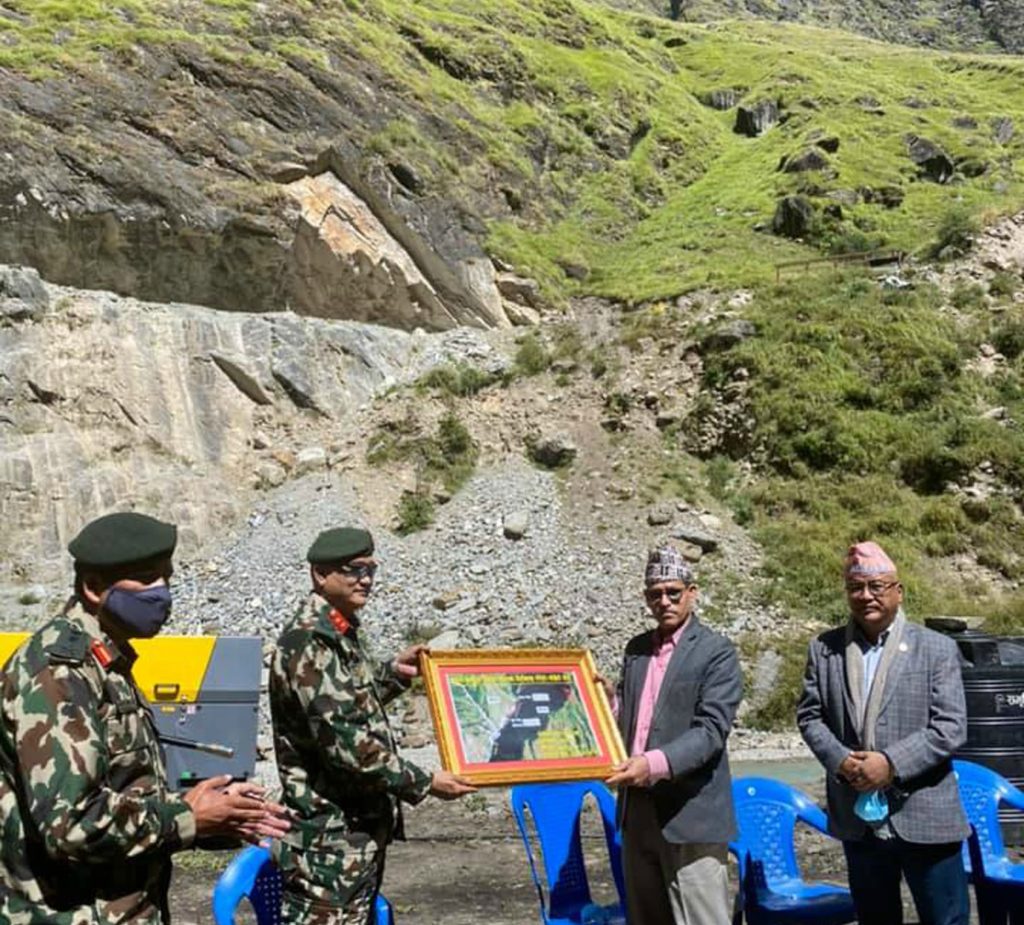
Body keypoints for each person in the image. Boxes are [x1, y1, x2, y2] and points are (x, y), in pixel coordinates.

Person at [0, 511, 290, 924]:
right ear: (94, 588)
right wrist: (189, 816)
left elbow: (125, 792)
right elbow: (71, 826)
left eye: (166, 578)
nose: (163, 593)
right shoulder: (59, 672)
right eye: (147, 578)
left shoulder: (107, 661)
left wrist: (216, 813)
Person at [269, 527, 476, 924]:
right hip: (327, 841)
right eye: (354, 569)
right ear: (320, 574)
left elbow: (347, 699)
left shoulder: (337, 633)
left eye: (371, 570)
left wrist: (395, 674)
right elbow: (346, 744)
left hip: (353, 834)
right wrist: (426, 781)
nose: (365, 580)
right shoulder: (310, 642)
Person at [797, 541, 970, 925]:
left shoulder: (936, 649)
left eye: (876, 586)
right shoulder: (824, 649)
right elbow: (810, 717)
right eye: (856, 587)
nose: (865, 596)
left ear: (898, 591)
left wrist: (890, 764)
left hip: (925, 813)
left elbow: (950, 726)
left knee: (946, 919)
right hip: (858, 818)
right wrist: (842, 761)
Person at [606, 546, 741, 925]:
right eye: (655, 594)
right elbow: (631, 723)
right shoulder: (635, 650)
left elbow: (711, 730)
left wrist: (650, 765)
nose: (664, 601)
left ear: (692, 593)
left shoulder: (717, 652)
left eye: (673, 592)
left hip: (691, 812)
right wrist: (608, 705)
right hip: (637, 811)